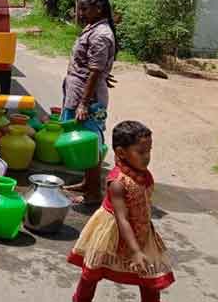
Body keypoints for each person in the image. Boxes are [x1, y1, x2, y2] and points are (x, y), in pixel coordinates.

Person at [68, 121, 174, 302]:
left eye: (149, 151)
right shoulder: (117, 183)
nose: (147, 157)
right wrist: (135, 251)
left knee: (150, 277)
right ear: (121, 153)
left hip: (141, 230)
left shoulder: (143, 174)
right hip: (111, 230)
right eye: (141, 152)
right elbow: (122, 218)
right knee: (92, 273)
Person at [61, 0, 117, 204]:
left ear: (99, 9)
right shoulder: (93, 28)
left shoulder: (101, 34)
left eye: (85, 9)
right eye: (80, 8)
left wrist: (84, 103)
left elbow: (94, 71)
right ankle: (88, 183)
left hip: (87, 98)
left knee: (90, 141)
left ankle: (94, 193)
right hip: (80, 91)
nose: (80, 13)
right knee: (84, 139)